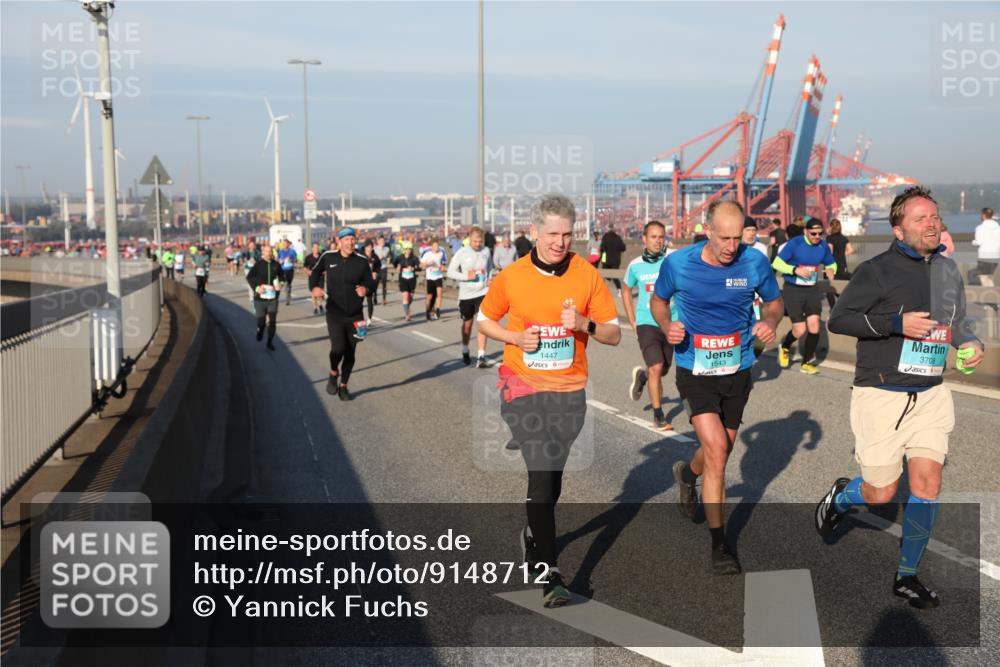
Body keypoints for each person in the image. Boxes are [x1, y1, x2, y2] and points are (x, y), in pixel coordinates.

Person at [816, 186, 985, 609]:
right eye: (920, 218)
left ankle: (907, 575)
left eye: (934, 217)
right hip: (882, 394)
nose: (931, 224)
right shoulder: (876, 270)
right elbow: (840, 319)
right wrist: (896, 323)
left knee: (928, 483)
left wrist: (971, 342)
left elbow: (958, 321)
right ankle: (842, 495)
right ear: (898, 229)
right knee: (881, 492)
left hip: (930, 393)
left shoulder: (948, 270)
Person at [477, 193, 621, 607]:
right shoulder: (514, 275)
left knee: (552, 478)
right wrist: (514, 337)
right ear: (534, 232)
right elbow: (487, 318)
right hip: (521, 387)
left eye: (568, 234)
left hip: (570, 393)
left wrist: (585, 323)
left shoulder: (586, 275)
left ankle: (531, 534)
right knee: (541, 473)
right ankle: (550, 574)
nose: (560, 242)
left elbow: (613, 335)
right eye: (552, 234)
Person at [650, 200, 782, 575]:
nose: (731, 246)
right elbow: (659, 302)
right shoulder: (678, 264)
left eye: (737, 238)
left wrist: (769, 322)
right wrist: (666, 327)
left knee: (715, 454)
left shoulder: (754, 261)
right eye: (724, 238)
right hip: (695, 367)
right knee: (719, 452)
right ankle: (719, 545)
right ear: (707, 231)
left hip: (738, 368)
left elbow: (774, 302)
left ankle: (687, 475)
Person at [309, 228, 376, 401]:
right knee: (337, 348)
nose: (351, 242)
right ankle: (333, 371)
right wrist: (314, 287)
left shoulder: (361, 261)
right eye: (347, 239)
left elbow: (371, 282)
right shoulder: (328, 257)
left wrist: (366, 289)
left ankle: (344, 385)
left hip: (355, 315)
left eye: (353, 239)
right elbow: (315, 272)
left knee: (351, 352)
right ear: (339, 241)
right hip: (335, 312)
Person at [622, 220, 676, 430]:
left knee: (662, 371)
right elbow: (626, 289)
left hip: (671, 322)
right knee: (657, 366)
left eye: (661, 237)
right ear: (644, 239)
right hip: (646, 322)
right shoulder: (635, 265)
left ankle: (642, 376)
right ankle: (658, 415)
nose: (657, 241)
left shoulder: (673, 258)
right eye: (653, 237)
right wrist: (633, 319)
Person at [772, 218, 837, 374]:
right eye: (813, 233)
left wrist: (831, 270)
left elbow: (831, 263)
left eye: (820, 233)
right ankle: (786, 346)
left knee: (814, 325)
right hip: (793, 289)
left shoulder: (822, 245)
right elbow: (776, 263)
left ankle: (806, 362)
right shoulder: (795, 243)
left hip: (812, 289)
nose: (817, 236)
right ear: (805, 231)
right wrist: (795, 270)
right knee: (800, 330)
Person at [447, 226, 493, 367]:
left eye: (480, 241)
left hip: (482, 292)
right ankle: (465, 349)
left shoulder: (486, 251)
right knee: (468, 325)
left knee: (482, 323)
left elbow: (489, 267)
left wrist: (489, 279)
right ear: (469, 239)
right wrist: (467, 276)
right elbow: (450, 272)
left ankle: (481, 356)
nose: (477, 244)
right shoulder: (462, 252)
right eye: (474, 241)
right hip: (466, 295)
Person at [245, 242, 285, 351]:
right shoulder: (258, 265)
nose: (269, 253)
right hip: (260, 298)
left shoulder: (276, 264)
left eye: (270, 251)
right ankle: (260, 330)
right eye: (267, 252)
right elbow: (249, 277)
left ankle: (269, 342)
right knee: (261, 323)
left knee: (272, 321)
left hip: (273, 298)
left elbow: (282, 277)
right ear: (263, 253)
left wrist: (280, 284)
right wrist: (257, 288)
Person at [420, 237, 448, 320]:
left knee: (439, 293)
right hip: (430, 277)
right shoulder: (427, 254)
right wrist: (428, 264)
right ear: (431, 247)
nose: (437, 247)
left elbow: (443, 265)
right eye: (435, 246)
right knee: (430, 295)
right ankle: (428, 310)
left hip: (438, 276)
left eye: (437, 246)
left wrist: (443, 268)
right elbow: (421, 266)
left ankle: (438, 310)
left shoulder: (441, 253)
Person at [972, 207, 999, 287]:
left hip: (984, 256)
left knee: (983, 277)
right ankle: (993, 296)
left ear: (983, 215)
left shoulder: (980, 228)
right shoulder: (998, 228)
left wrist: (973, 242)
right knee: (989, 276)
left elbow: (978, 242)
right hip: (995, 255)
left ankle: (989, 297)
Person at [393, 245, 421, 321]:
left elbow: (420, 267)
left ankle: (407, 308)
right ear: (404, 250)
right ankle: (407, 314)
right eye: (406, 249)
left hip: (412, 280)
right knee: (405, 296)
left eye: (409, 249)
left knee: (410, 298)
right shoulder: (400, 257)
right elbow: (394, 263)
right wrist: (397, 267)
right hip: (403, 280)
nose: (408, 251)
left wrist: (413, 268)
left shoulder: (414, 258)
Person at [599, 225, 627, 292]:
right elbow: (623, 248)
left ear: (608, 229)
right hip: (616, 260)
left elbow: (602, 248)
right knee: (615, 276)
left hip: (606, 259)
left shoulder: (605, 237)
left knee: (605, 276)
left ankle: (604, 291)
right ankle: (619, 290)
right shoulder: (618, 238)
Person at [362, 242, 382, 326]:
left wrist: (375, 272)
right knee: (360, 300)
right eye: (368, 247)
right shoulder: (361, 255)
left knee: (370, 299)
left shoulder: (374, 256)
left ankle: (369, 318)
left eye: (371, 247)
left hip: (370, 281)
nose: (370, 248)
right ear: (365, 247)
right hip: (361, 280)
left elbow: (378, 265)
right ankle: (360, 317)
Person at [303, 242, 325, 315]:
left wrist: (325, 271)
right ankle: (315, 307)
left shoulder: (322, 256)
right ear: (312, 248)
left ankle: (320, 305)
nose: (316, 249)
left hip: (321, 277)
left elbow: (326, 265)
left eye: (317, 247)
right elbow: (305, 267)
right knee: (314, 294)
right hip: (312, 277)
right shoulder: (308, 257)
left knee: (321, 293)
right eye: (315, 247)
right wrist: (308, 271)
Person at [278, 240, 297, 305]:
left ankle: (288, 294)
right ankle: (287, 300)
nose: (285, 245)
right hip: (283, 269)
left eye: (286, 244)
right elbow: (277, 259)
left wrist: (291, 259)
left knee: (289, 284)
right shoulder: (280, 251)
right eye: (284, 244)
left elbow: (296, 259)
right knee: (285, 284)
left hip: (290, 270)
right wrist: (280, 261)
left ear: (288, 244)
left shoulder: (292, 251)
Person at [373, 236, 391, 304]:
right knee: (376, 284)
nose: (382, 242)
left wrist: (384, 258)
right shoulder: (374, 249)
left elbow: (385, 256)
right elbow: (374, 258)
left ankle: (384, 299)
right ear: (378, 242)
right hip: (377, 268)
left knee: (384, 283)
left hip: (384, 267)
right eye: (381, 241)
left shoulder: (387, 248)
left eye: (383, 241)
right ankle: (375, 297)